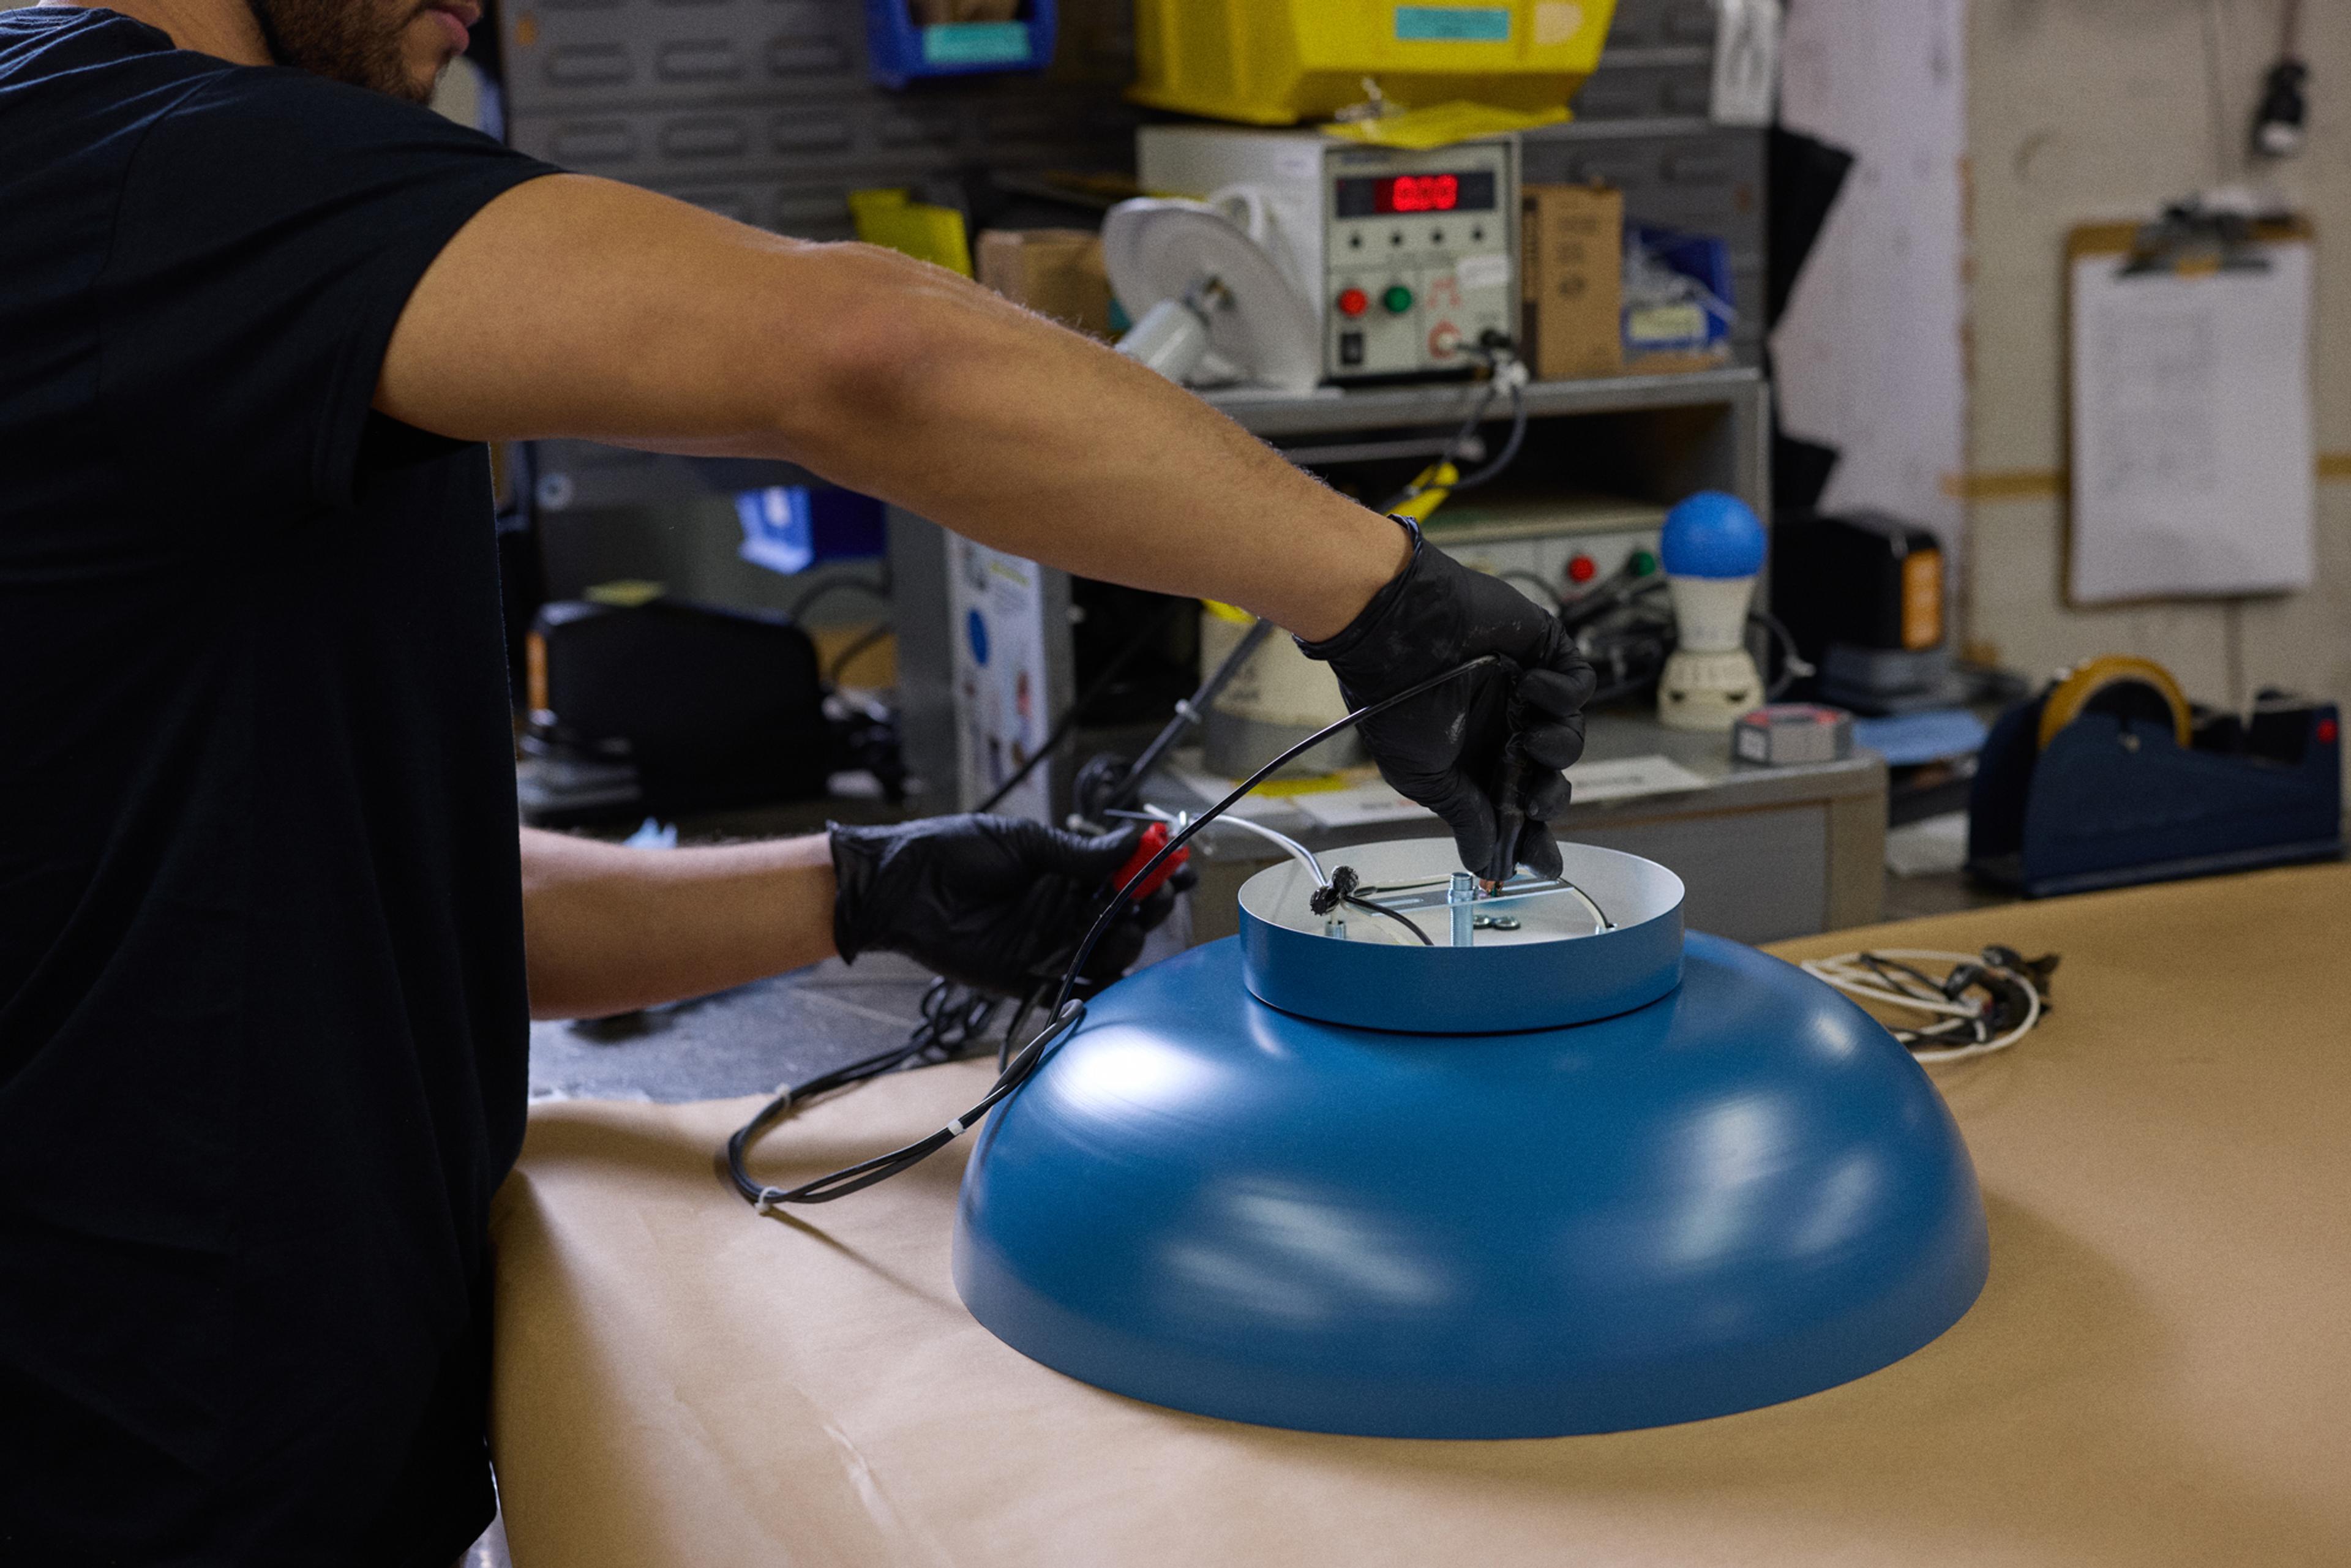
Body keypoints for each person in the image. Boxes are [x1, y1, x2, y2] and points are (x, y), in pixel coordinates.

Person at [0, 1, 1598, 1561]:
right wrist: (1380, 594)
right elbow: (864, 350)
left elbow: (356, 879)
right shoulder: (126, 168)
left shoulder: (137, 217)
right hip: (145, 1461)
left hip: (259, 1429)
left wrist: (863, 887)